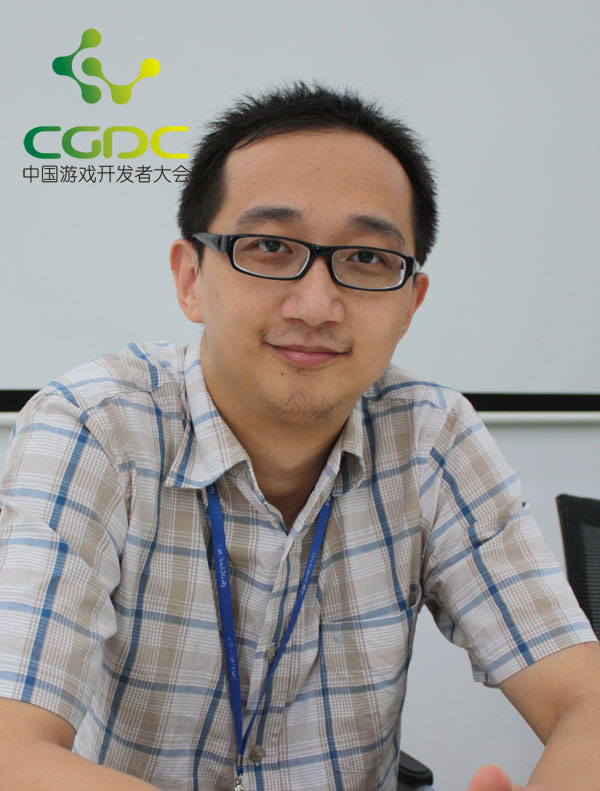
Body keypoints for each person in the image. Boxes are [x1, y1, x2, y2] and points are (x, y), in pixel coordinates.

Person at [0, 83, 599, 791]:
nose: (317, 305)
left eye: (367, 258)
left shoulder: (432, 438)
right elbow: (12, 749)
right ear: (191, 278)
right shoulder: (95, 427)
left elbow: (585, 700)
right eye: (269, 246)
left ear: (410, 302)